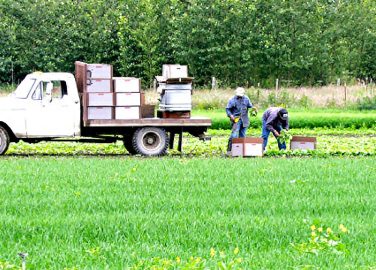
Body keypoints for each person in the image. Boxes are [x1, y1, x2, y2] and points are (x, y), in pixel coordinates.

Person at [226, 87, 253, 154]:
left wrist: (253, 110)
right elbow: (227, 109)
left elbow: (250, 106)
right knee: (234, 135)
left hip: (245, 120)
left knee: (242, 136)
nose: (240, 97)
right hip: (236, 120)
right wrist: (231, 115)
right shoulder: (232, 100)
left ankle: (240, 151)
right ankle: (229, 150)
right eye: (238, 95)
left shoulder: (246, 99)